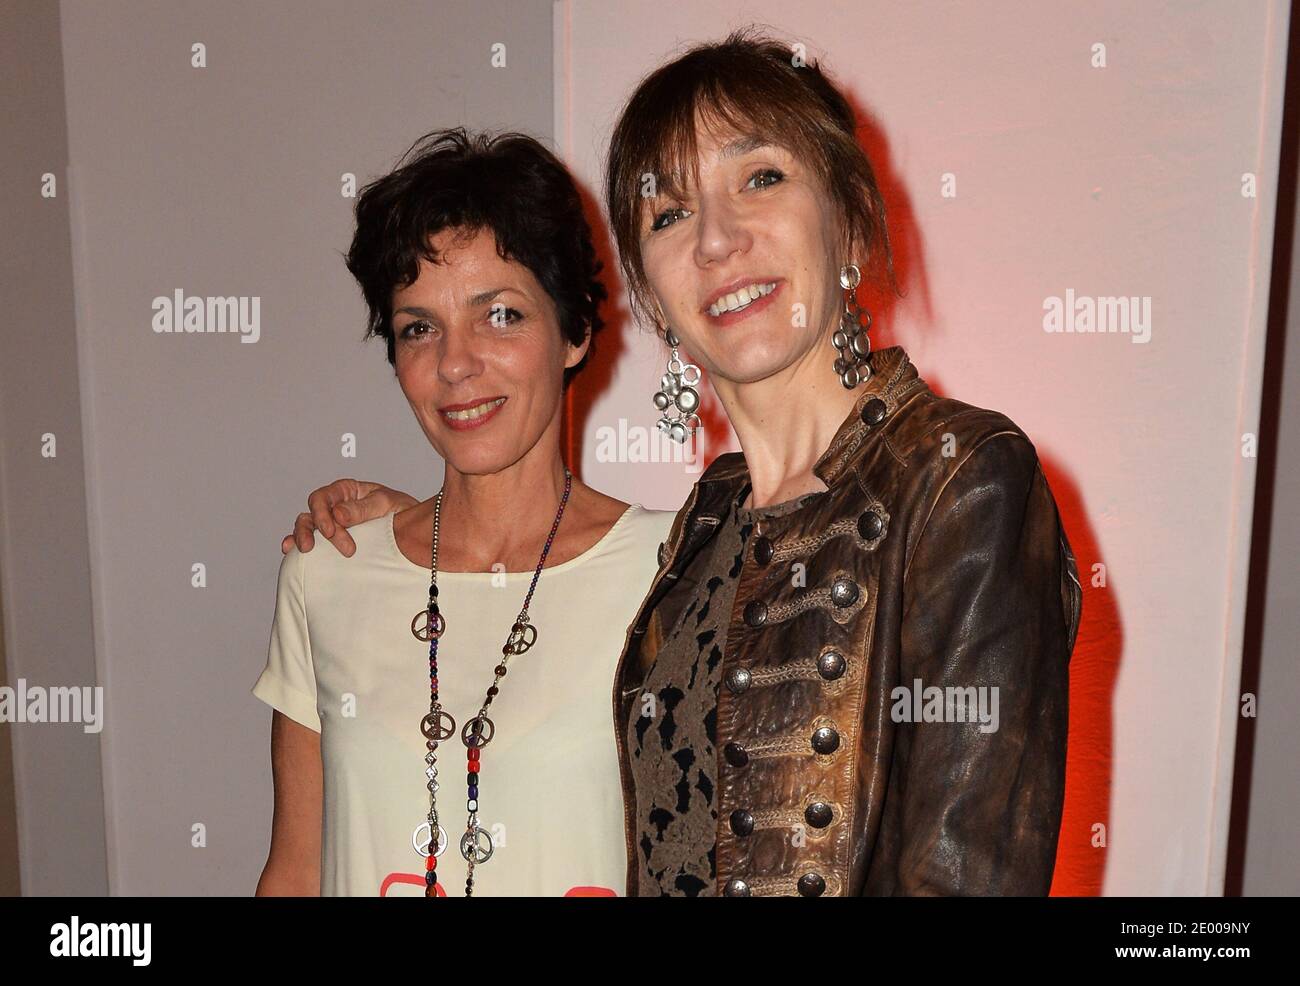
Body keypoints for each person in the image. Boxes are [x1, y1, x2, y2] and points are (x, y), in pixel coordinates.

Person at [288, 27, 1083, 896]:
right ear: (653, 299)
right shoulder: (705, 529)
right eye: (668, 213)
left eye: (761, 178)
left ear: (849, 216)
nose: (715, 240)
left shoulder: (960, 478)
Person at [252, 128, 674, 896]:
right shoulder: (328, 573)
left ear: (574, 330)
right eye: (420, 328)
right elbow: (294, 872)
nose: (455, 362)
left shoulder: (672, 576)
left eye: (501, 315)